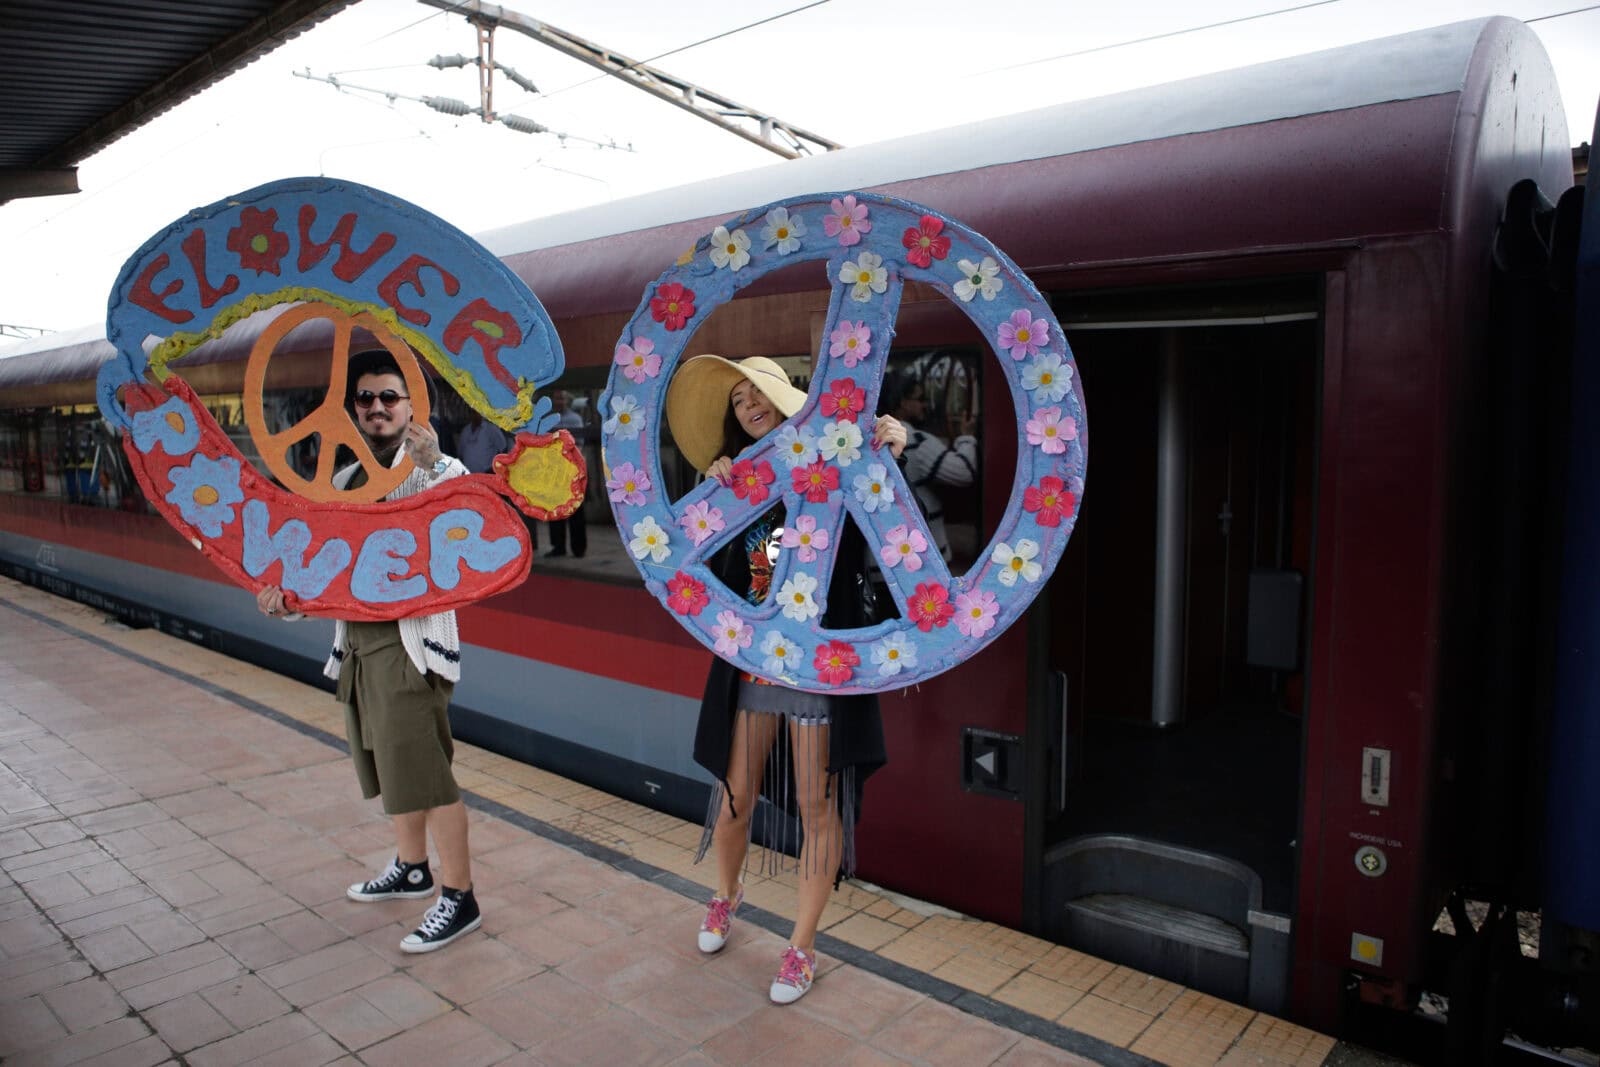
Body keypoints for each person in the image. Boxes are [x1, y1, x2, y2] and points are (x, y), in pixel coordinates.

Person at [664, 355, 906, 1004]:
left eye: (758, 392)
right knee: (736, 793)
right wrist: (716, 490)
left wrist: (889, 452)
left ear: (785, 397)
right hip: (752, 665)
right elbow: (699, 567)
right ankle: (725, 894)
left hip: (820, 664)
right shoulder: (736, 479)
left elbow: (887, 525)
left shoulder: (839, 461)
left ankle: (802, 945)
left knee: (817, 805)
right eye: (737, 399)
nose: (748, 405)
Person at [255, 348, 482, 954]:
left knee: (429, 778)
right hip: (358, 645)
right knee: (390, 767)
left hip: (410, 649)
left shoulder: (435, 470)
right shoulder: (350, 480)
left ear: (413, 407)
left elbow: (468, 514)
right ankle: (413, 868)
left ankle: (459, 898)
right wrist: (291, 602)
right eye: (366, 398)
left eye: (390, 397)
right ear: (351, 408)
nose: (378, 408)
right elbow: (329, 572)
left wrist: (433, 460)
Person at [880, 370, 978, 561]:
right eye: (920, 398)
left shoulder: (871, 440)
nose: (925, 404)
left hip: (884, 561)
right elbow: (964, 472)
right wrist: (967, 437)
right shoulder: (916, 441)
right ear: (902, 403)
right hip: (925, 559)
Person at [544, 390, 588, 558]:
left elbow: (580, 444)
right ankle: (558, 547)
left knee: (575, 510)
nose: (559, 401)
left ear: (566, 400)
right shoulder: (547, 420)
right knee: (555, 509)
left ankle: (579, 548)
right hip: (553, 472)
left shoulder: (575, 420)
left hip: (572, 472)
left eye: (561, 398)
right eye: (556, 398)